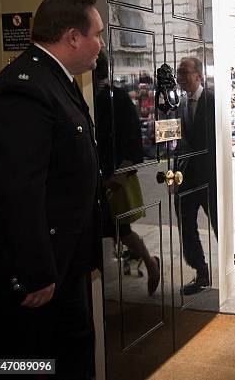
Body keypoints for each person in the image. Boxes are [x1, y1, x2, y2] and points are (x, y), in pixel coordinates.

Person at [0, 0, 104, 379]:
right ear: (73, 37)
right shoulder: (25, 87)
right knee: (28, 362)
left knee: (72, 351)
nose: (100, 45)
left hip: (66, 262)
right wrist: (36, 270)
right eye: (97, 35)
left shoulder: (58, 79)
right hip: (41, 272)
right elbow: (19, 188)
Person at [94, 50, 160, 296]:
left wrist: (118, 176)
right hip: (99, 176)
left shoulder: (117, 98)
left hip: (115, 176)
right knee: (113, 230)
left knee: (119, 229)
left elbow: (133, 143)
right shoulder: (87, 96)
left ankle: (151, 264)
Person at [175, 56, 218, 295]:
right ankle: (201, 272)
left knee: (217, 225)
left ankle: (229, 267)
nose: (181, 78)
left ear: (199, 76)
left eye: (185, 73)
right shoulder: (179, 103)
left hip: (210, 178)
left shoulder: (212, 100)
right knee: (186, 226)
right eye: (179, 73)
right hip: (187, 177)